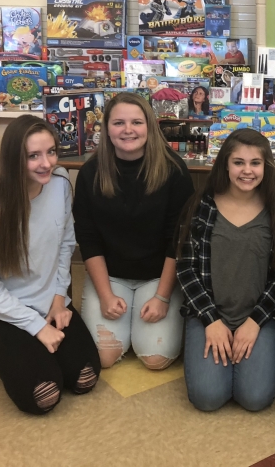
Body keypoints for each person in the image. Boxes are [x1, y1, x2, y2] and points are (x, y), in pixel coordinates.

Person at [0, 116, 99, 414]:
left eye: (51, 152)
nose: (46, 163)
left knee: (84, 377)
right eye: (33, 156)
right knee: (44, 395)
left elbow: (65, 243)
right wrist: (38, 328)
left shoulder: (60, 184)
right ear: (13, 158)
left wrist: (60, 298)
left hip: (49, 300)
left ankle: (22, 350)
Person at [73, 92, 194, 370]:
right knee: (103, 357)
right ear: (106, 129)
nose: (128, 130)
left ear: (150, 127)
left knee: (155, 359)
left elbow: (178, 241)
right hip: (110, 275)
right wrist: (105, 295)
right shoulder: (91, 172)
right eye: (119, 123)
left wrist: (162, 298)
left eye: (137, 122)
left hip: (158, 277)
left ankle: (144, 325)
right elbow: (88, 239)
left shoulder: (175, 171)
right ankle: (124, 323)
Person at [177, 128, 275, 412]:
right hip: (209, 314)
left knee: (255, 398)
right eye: (238, 162)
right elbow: (186, 268)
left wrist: (255, 323)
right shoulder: (201, 206)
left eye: (255, 163)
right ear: (225, 164)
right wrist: (210, 320)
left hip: (260, 317)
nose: (247, 171)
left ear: (266, 167)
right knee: (207, 397)